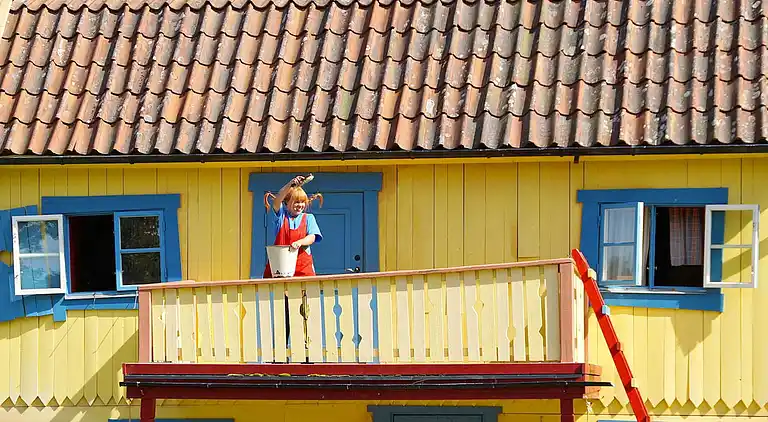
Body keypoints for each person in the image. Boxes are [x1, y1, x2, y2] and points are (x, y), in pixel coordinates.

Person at [263, 175, 323, 278]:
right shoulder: (281, 216)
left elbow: (312, 237)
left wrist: (300, 242)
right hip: (280, 270)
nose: (300, 205)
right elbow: (278, 200)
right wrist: (290, 184)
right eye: (296, 202)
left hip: (303, 270)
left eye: (302, 202)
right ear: (286, 203)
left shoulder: (309, 218)